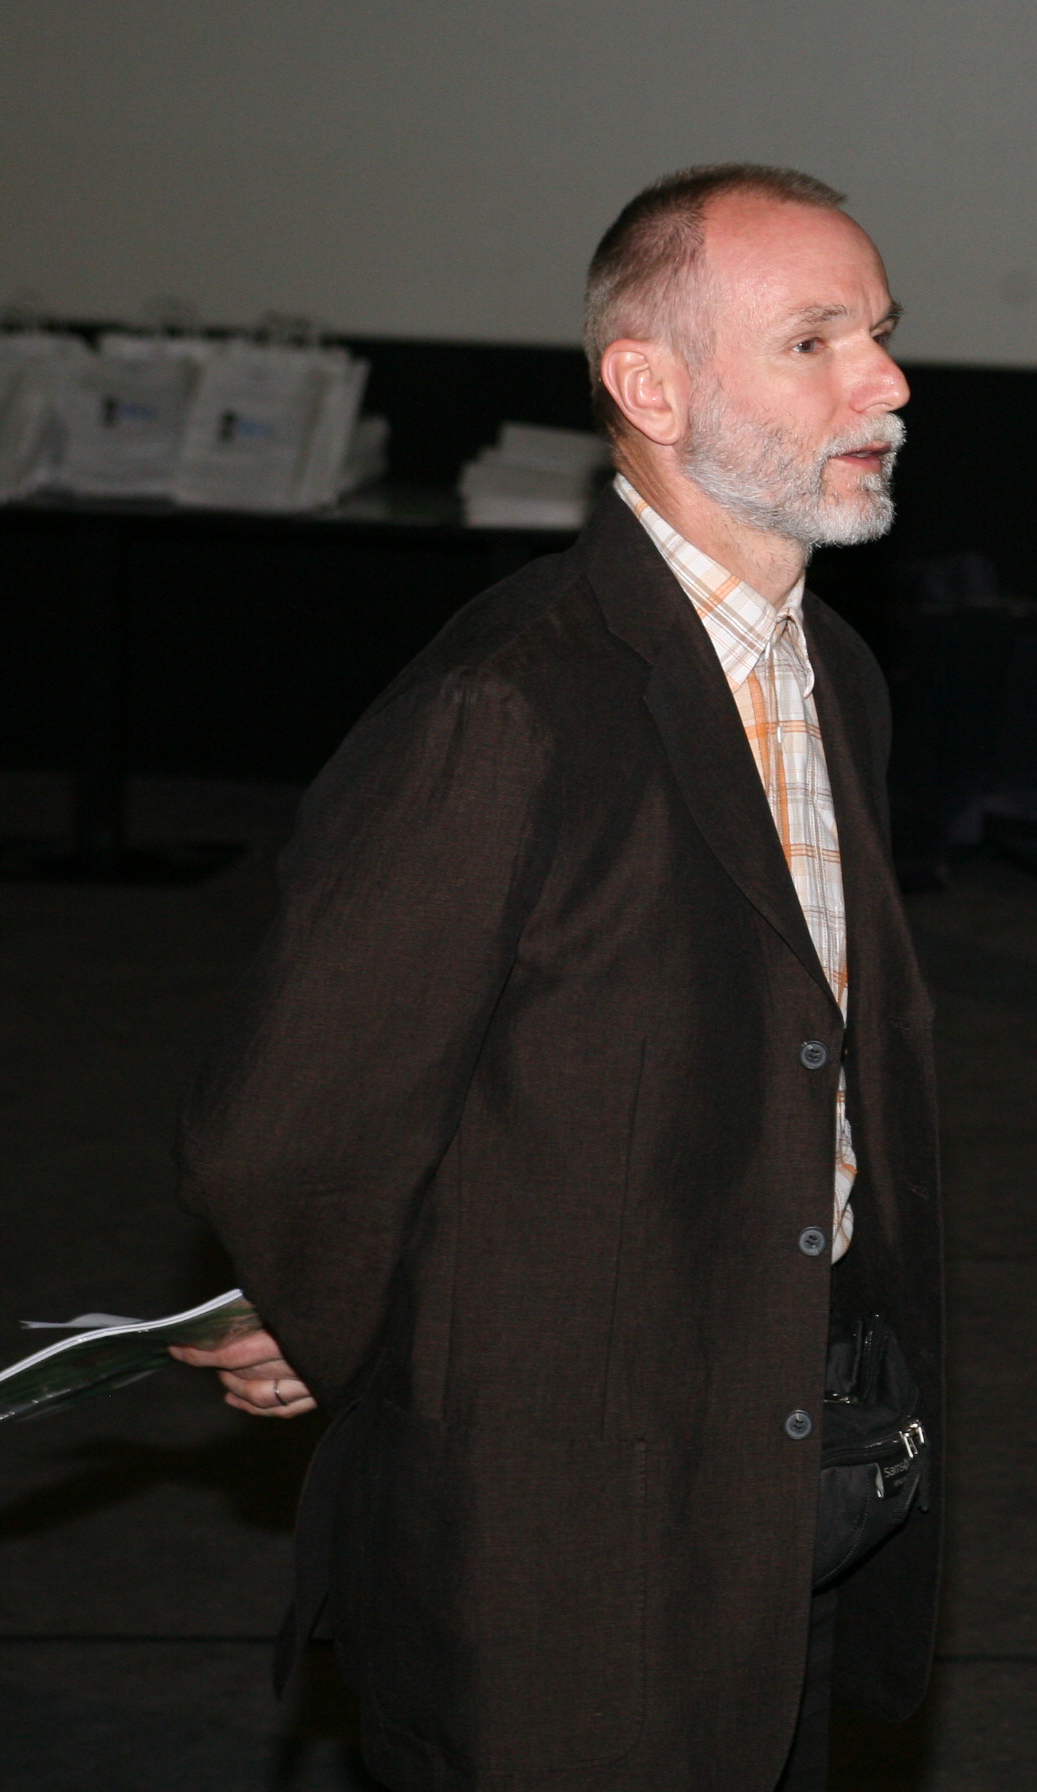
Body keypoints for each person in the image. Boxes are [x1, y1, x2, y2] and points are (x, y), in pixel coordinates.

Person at [173, 164, 944, 1792]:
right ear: (650, 389)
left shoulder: (836, 672)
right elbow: (295, 1121)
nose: (884, 384)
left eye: (879, 334)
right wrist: (346, 1320)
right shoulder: (510, 707)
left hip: (799, 1458)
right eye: (814, 342)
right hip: (569, 1531)